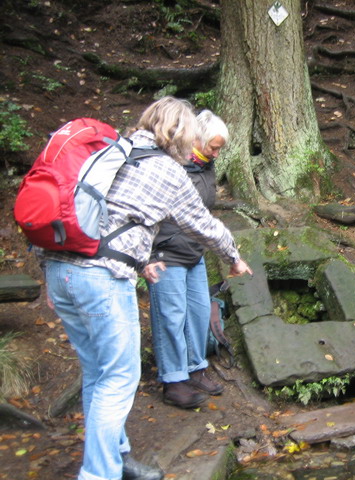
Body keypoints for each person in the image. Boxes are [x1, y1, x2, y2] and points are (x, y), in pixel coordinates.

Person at [42, 97, 253, 480]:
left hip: (62, 270)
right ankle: (98, 474)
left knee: (98, 374)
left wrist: (138, 261)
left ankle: (115, 459)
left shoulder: (113, 153)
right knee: (119, 377)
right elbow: (201, 223)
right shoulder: (166, 169)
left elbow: (104, 218)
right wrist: (234, 256)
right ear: (182, 133)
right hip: (99, 280)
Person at [143, 110, 228, 409]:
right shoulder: (171, 165)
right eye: (213, 147)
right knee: (171, 315)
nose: (216, 153)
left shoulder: (206, 166)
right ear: (196, 139)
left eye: (219, 148)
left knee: (197, 311)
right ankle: (173, 380)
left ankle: (195, 368)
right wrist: (151, 253)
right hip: (166, 253)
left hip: (194, 252)